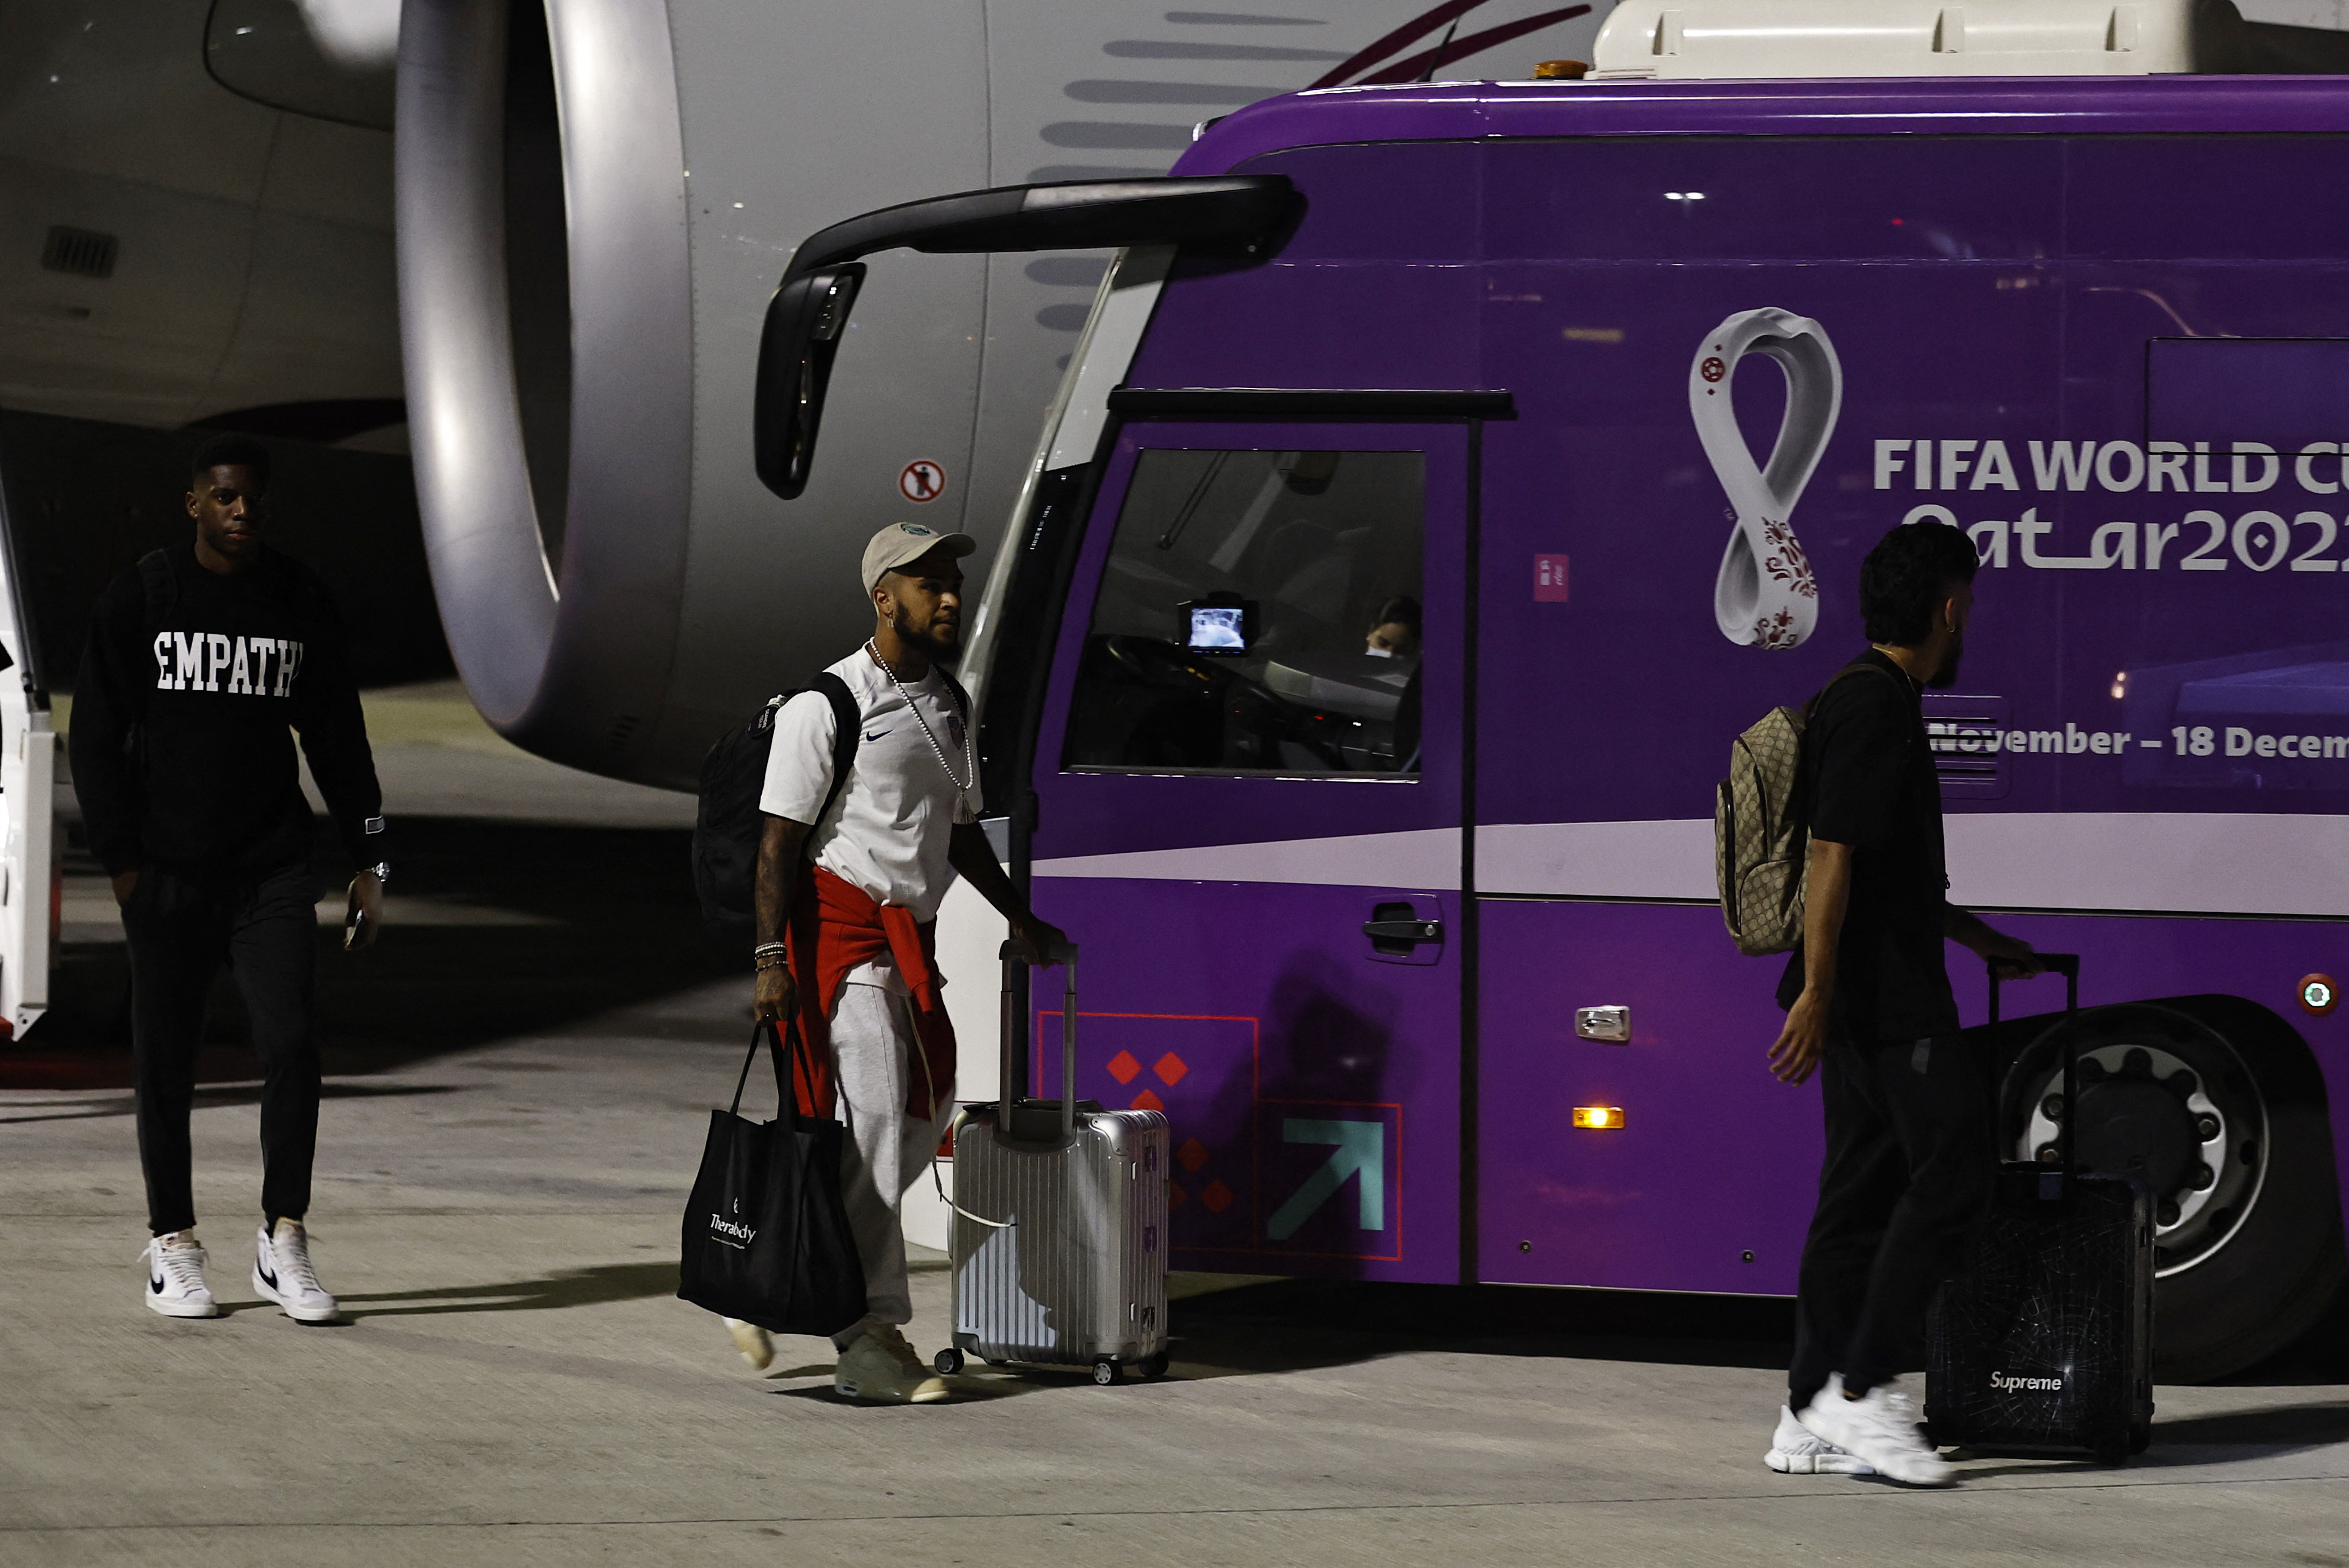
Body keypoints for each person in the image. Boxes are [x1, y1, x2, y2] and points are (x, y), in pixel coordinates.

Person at [725, 521, 1066, 1404]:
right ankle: (870, 1337)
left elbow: (961, 832)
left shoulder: (949, 702)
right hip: (838, 939)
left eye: (953, 582)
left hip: (910, 939)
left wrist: (1021, 918)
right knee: (877, 1117)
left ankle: (771, 1263)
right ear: (884, 599)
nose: (949, 597)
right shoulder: (828, 704)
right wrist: (769, 958)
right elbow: (777, 843)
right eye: (928, 584)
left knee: (926, 1114)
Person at [68, 435, 389, 1325]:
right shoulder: (146, 595)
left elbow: (338, 737)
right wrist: (123, 865)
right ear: (195, 505)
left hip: (271, 869)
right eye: (222, 496)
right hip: (169, 875)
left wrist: (372, 857)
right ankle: (173, 1245)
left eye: (250, 497)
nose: (240, 510)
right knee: (166, 1062)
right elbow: (93, 735)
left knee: (291, 1044)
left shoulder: (296, 599)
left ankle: (283, 1238)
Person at [1763, 520, 2040, 1486]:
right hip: (1882, 999)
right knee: (1956, 1171)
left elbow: (1885, 874)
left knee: (1857, 1195)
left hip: (1870, 986)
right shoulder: (1878, 706)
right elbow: (1831, 853)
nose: (1971, 623)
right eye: (1971, 606)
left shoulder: (1865, 694)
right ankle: (1863, 1386)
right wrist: (1820, 993)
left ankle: (1806, 1409)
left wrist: (1973, 935)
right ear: (1948, 610)